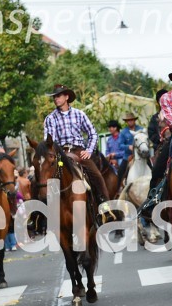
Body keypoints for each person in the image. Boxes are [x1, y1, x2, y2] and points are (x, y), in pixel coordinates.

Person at [42, 84, 117, 221]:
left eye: (58, 96)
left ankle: (105, 207)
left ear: (66, 97)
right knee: (45, 178)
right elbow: (49, 142)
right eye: (54, 97)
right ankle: (41, 216)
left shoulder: (79, 114)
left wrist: (88, 150)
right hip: (60, 154)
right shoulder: (50, 118)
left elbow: (92, 133)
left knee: (97, 176)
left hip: (79, 151)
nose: (56, 99)